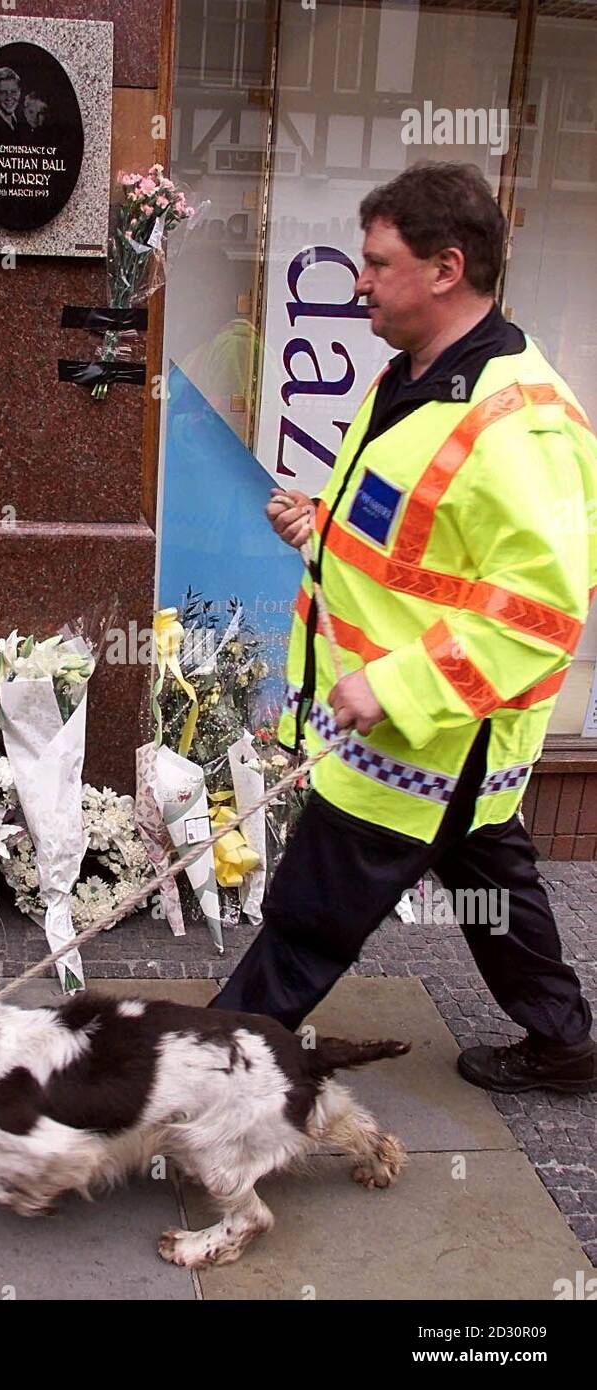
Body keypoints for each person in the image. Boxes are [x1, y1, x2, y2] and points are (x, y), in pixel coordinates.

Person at [210, 162, 597, 1095]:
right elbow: (421, 546)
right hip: (435, 744)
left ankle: (195, 1076)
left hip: (420, 742)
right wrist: (322, 525)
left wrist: (393, 687)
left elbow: (542, 611)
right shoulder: (414, 378)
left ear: (446, 268)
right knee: (495, 894)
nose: (360, 282)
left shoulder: (521, 426)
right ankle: (568, 1044)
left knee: (308, 921)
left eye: (378, 263)